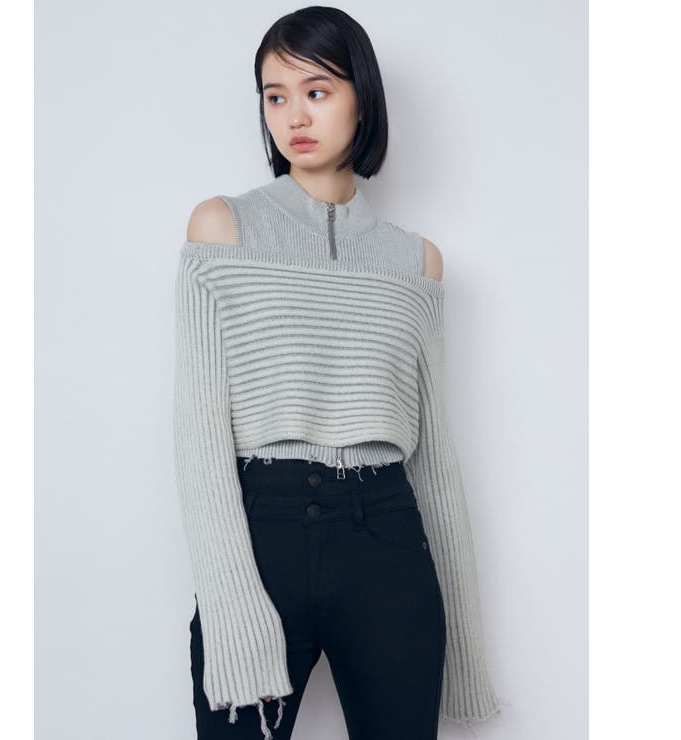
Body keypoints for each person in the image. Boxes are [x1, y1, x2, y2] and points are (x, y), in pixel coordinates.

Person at [173, 7, 501, 739]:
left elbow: (435, 457)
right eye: (275, 95)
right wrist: (232, 600)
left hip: (387, 535)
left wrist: (465, 646)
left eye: (317, 91)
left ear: (362, 98)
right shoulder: (222, 228)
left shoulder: (415, 261)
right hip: (264, 530)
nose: (293, 115)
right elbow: (198, 433)